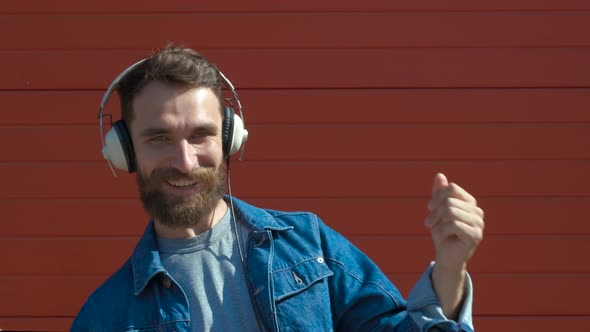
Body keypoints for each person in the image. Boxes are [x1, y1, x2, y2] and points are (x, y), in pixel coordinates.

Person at [71, 45, 484, 332]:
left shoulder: (308, 246)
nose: (185, 160)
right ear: (125, 151)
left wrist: (449, 269)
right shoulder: (104, 317)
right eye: (158, 138)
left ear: (230, 140)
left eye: (201, 135)